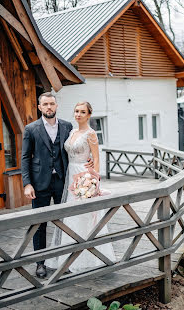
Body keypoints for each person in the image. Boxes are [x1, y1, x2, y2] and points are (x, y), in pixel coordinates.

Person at [21, 92, 92, 278]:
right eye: (45, 104)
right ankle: (40, 263)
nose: (49, 107)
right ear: (40, 107)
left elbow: (76, 147)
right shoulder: (31, 129)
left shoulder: (67, 126)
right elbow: (24, 158)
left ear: (56, 106)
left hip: (63, 181)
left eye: (52, 104)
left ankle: (64, 259)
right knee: (40, 224)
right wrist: (27, 184)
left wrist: (90, 159)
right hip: (40, 183)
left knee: (65, 221)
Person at [47, 101, 115, 273]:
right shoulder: (72, 131)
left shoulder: (91, 134)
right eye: (76, 111)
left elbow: (97, 159)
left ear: (89, 115)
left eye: (82, 112)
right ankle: (69, 257)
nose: (78, 114)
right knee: (71, 216)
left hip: (84, 175)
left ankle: (91, 257)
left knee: (85, 216)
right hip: (71, 175)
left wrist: (93, 182)